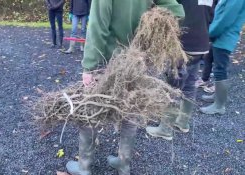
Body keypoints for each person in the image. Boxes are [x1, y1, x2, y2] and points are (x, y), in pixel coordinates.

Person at [65, 1, 185, 175]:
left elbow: (98, 26)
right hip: (137, 62)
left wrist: (89, 66)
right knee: (130, 112)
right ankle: (123, 164)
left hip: (108, 63)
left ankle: (84, 166)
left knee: (90, 109)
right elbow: (177, 11)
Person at [146, 0, 214, 140]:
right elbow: (212, 16)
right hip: (201, 43)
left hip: (183, 43)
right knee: (190, 84)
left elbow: (169, 11)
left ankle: (165, 129)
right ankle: (183, 122)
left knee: (173, 85)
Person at [200, 0, 245, 115]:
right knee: (210, 59)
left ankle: (219, 105)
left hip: (224, 37)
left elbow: (226, 18)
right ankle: (217, 96)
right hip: (219, 36)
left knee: (220, 69)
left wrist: (210, 33)